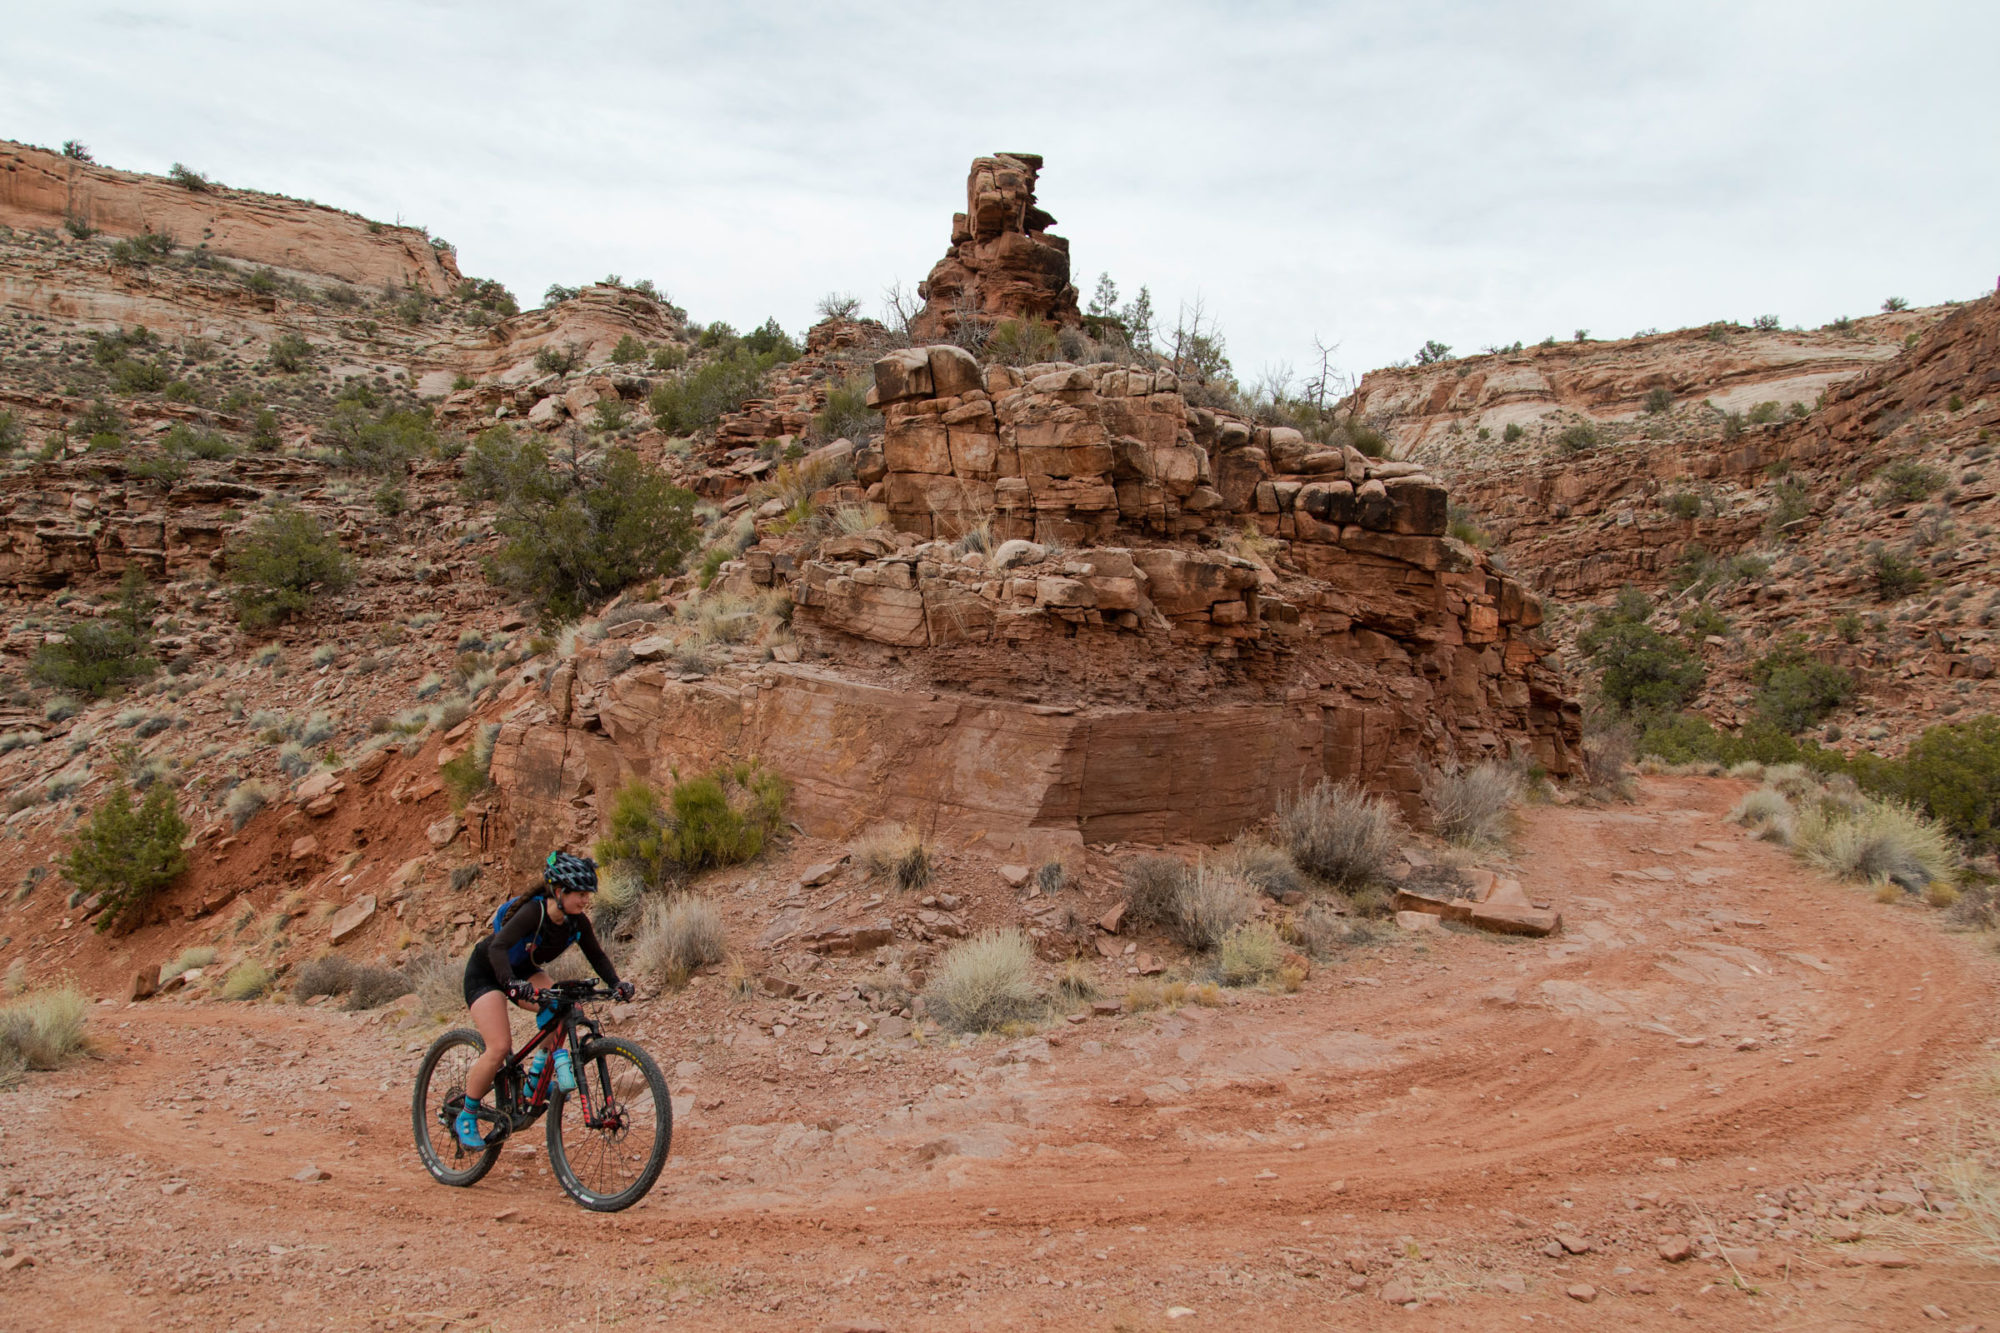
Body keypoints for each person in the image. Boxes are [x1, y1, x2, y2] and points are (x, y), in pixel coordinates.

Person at [455, 851, 633, 1149]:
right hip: (486, 972)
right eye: (580, 894)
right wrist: (512, 984)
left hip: (523, 971)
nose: (585, 900)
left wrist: (616, 984)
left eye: (588, 894)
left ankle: (534, 1080)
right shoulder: (534, 913)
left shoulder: (576, 922)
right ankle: (467, 1114)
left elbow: (597, 956)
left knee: (563, 1006)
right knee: (498, 1046)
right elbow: (498, 948)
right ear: (560, 891)